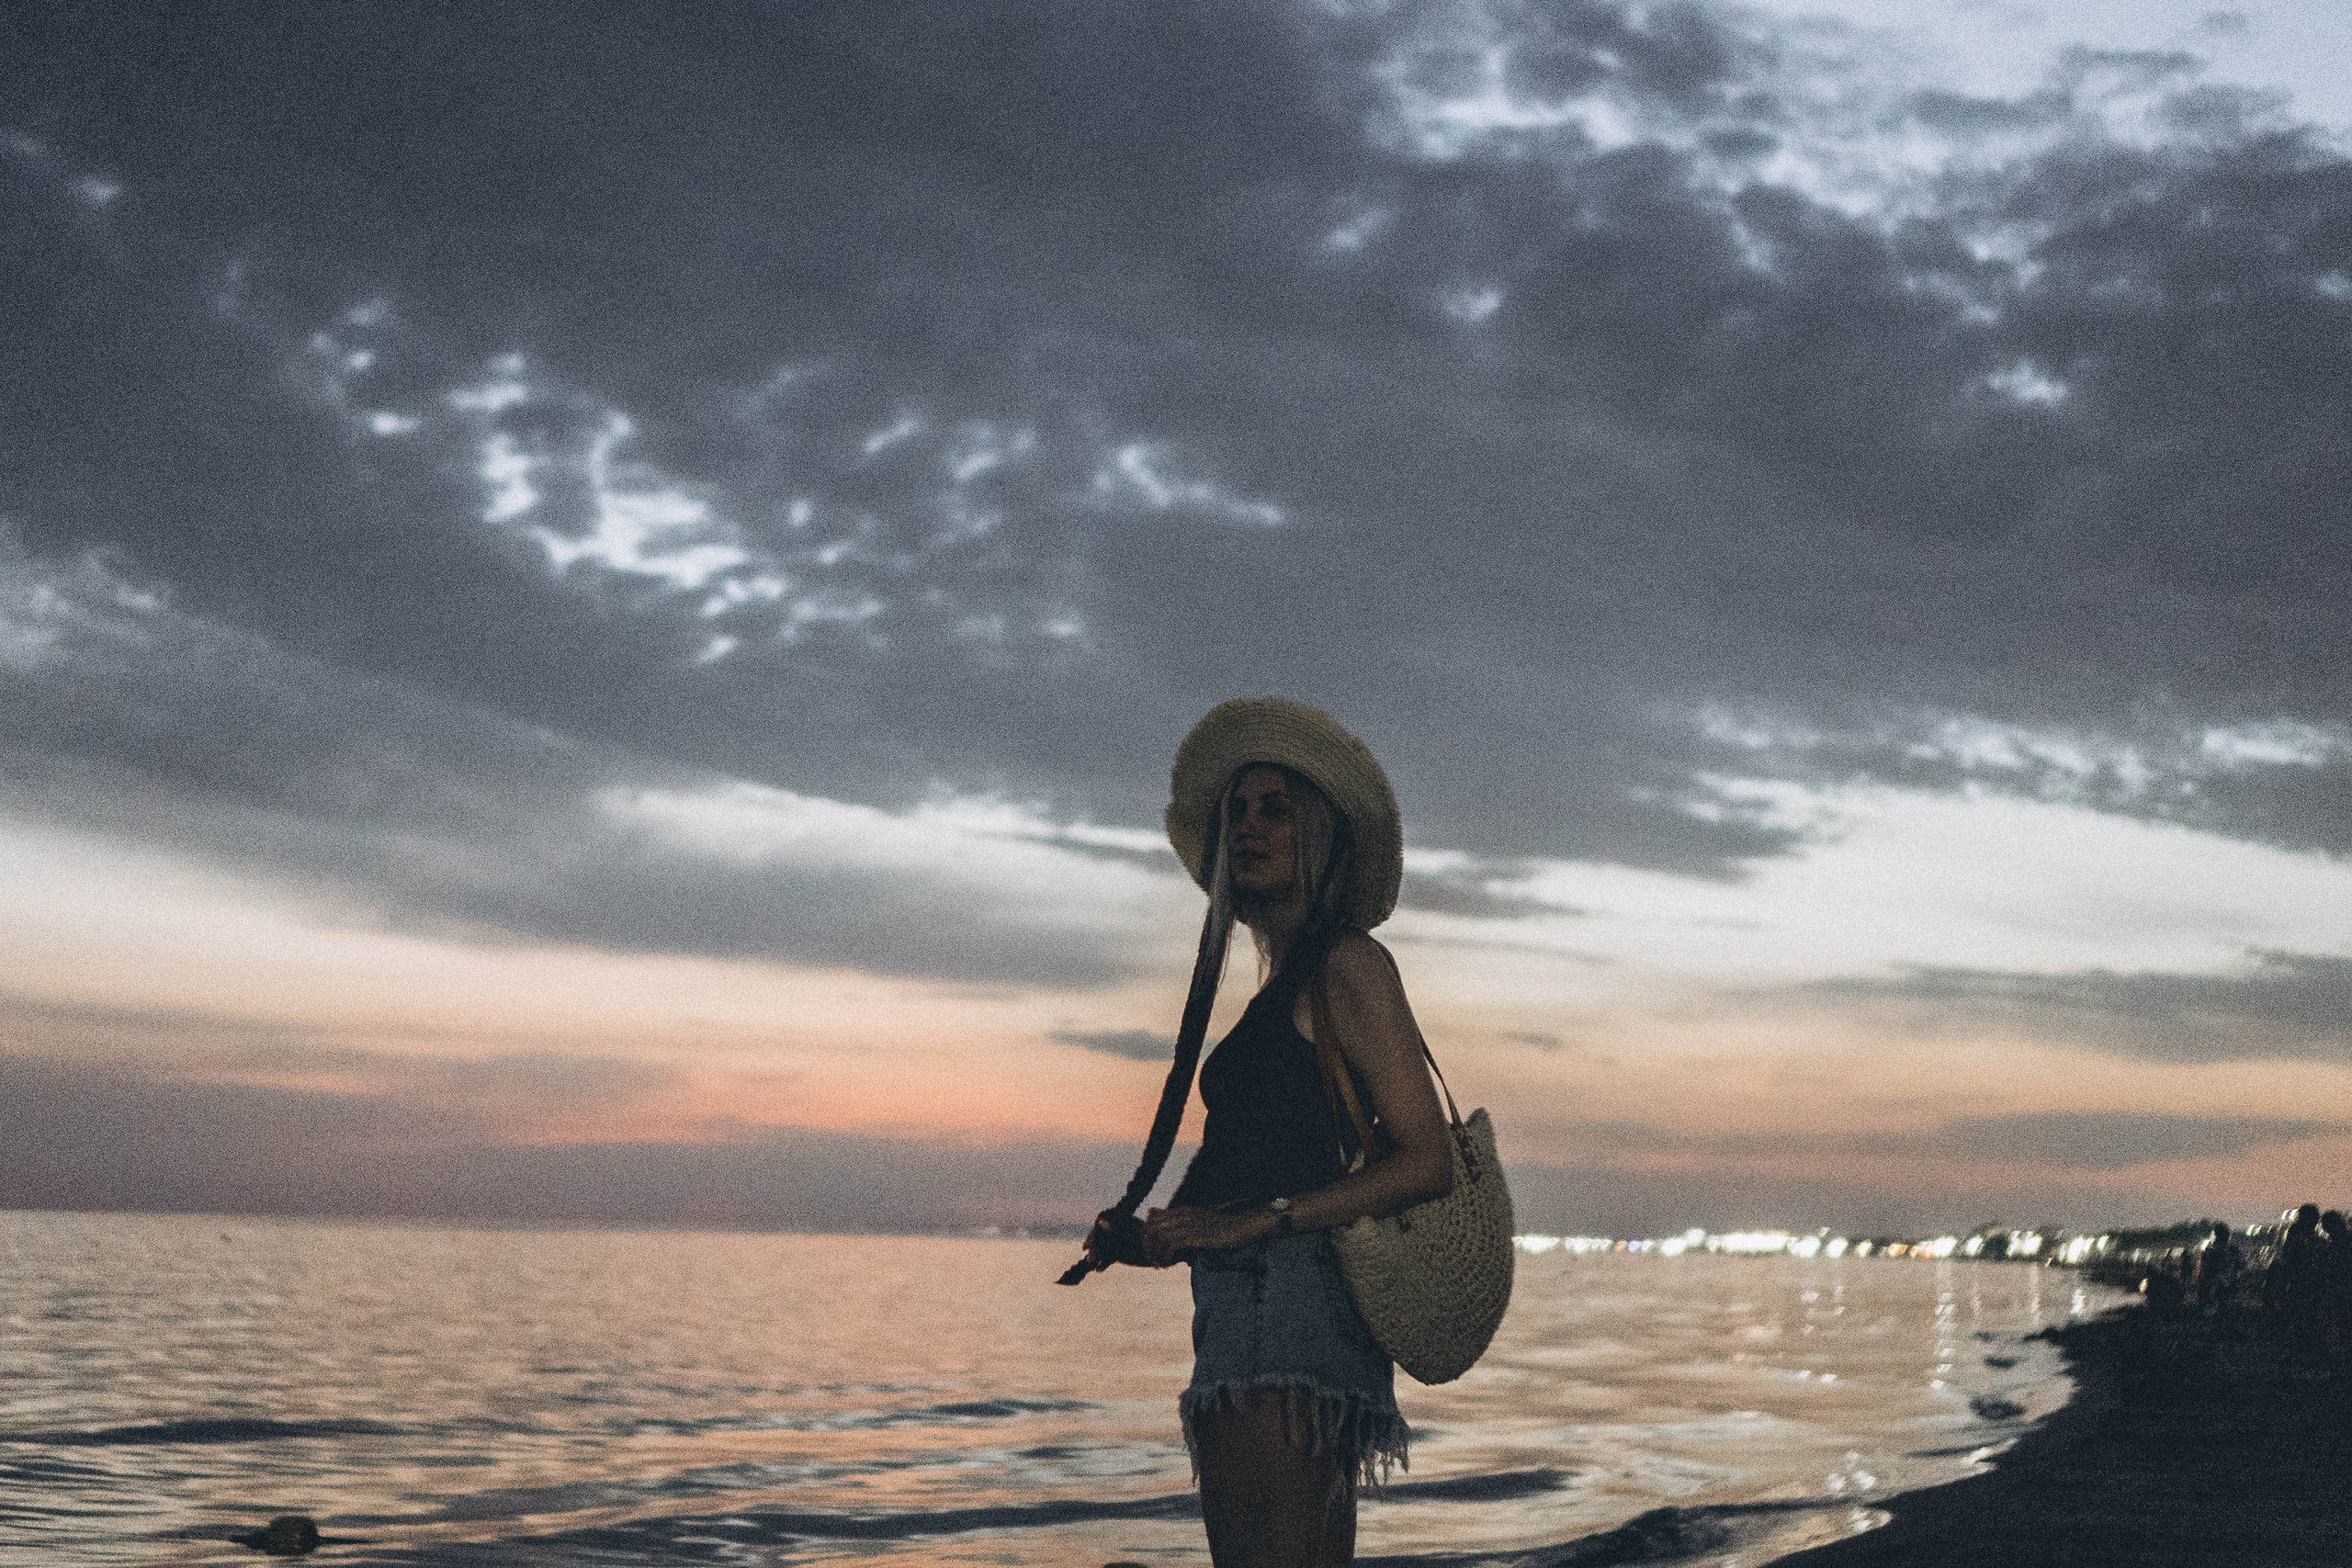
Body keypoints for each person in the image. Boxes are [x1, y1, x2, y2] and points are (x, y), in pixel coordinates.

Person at [1072, 698, 1455, 1568]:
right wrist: (1162, 1239)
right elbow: (1273, 1157)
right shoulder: (1283, 985)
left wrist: (1253, 1222)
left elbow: (1427, 1159)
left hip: (1287, 1313)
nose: (1246, 827)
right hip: (1260, 1308)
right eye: (1236, 811)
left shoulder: (1347, 964)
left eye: (1273, 808)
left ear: (1317, 832)